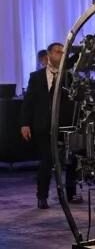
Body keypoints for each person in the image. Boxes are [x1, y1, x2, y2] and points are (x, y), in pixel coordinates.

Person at [20, 42, 81, 209]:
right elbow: (28, 102)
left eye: (63, 52)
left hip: (65, 125)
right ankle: (42, 196)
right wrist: (25, 123)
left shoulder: (69, 77)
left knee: (71, 160)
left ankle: (71, 193)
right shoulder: (36, 76)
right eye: (58, 52)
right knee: (47, 161)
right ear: (48, 55)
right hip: (43, 125)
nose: (61, 55)